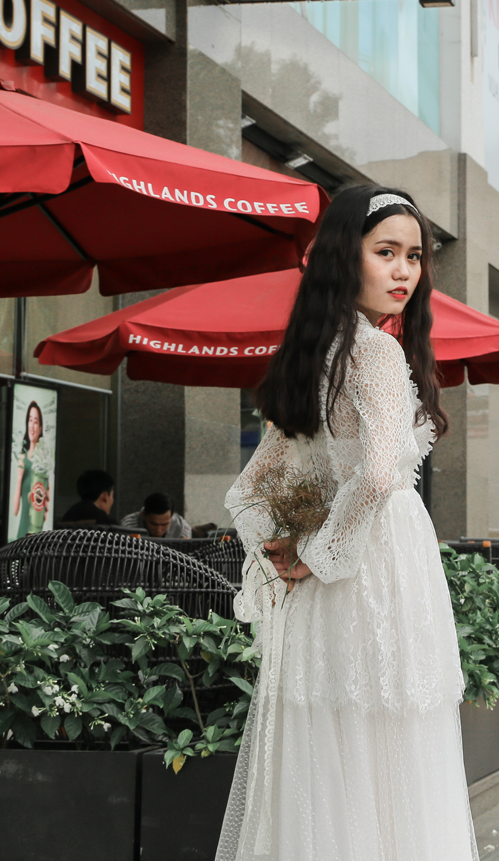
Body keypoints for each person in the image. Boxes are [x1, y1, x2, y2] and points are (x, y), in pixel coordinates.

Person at [218, 186, 476, 861]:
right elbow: (383, 474)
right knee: (391, 741)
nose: (404, 271)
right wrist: (320, 553)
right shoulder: (375, 352)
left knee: (327, 739)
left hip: (330, 580)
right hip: (379, 562)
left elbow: (248, 491)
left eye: (414, 256)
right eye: (386, 251)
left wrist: (284, 553)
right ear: (343, 254)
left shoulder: (316, 353)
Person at [11, 399, 52, 538]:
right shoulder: (22, 459)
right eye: (30, 420)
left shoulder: (43, 464)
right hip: (22, 534)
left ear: (40, 428)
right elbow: (15, 510)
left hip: (37, 535)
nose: (32, 425)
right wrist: (19, 477)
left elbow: (47, 508)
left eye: (35, 421)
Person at [120, 492, 194, 538]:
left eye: (164, 524)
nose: (158, 530)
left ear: (171, 517)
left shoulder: (182, 529)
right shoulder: (128, 526)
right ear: (144, 515)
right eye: (154, 524)